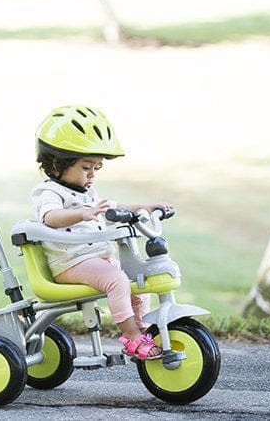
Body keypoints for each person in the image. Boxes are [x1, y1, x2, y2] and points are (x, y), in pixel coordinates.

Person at [31, 105, 174, 361]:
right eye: (86, 167)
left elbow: (114, 209)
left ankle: (142, 329)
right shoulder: (49, 192)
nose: (92, 174)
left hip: (97, 260)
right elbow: (50, 217)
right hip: (71, 264)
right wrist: (82, 213)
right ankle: (131, 337)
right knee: (117, 281)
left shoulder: (88, 194)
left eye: (97, 168)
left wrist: (147, 207)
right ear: (56, 163)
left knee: (138, 282)